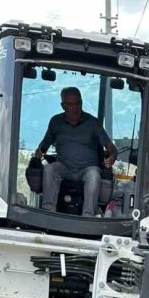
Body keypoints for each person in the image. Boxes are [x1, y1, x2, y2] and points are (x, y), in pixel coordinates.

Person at [34, 86, 117, 215]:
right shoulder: (56, 122)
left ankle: (88, 216)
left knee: (94, 176)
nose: (75, 108)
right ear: (63, 106)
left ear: (82, 102)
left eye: (78, 103)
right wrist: (38, 155)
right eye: (70, 104)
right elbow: (44, 145)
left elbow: (111, 147)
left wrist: (112, 157)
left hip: (88, 168)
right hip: (64, 167)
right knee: (49, 169)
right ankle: (48, 212)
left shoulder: (93, 123)